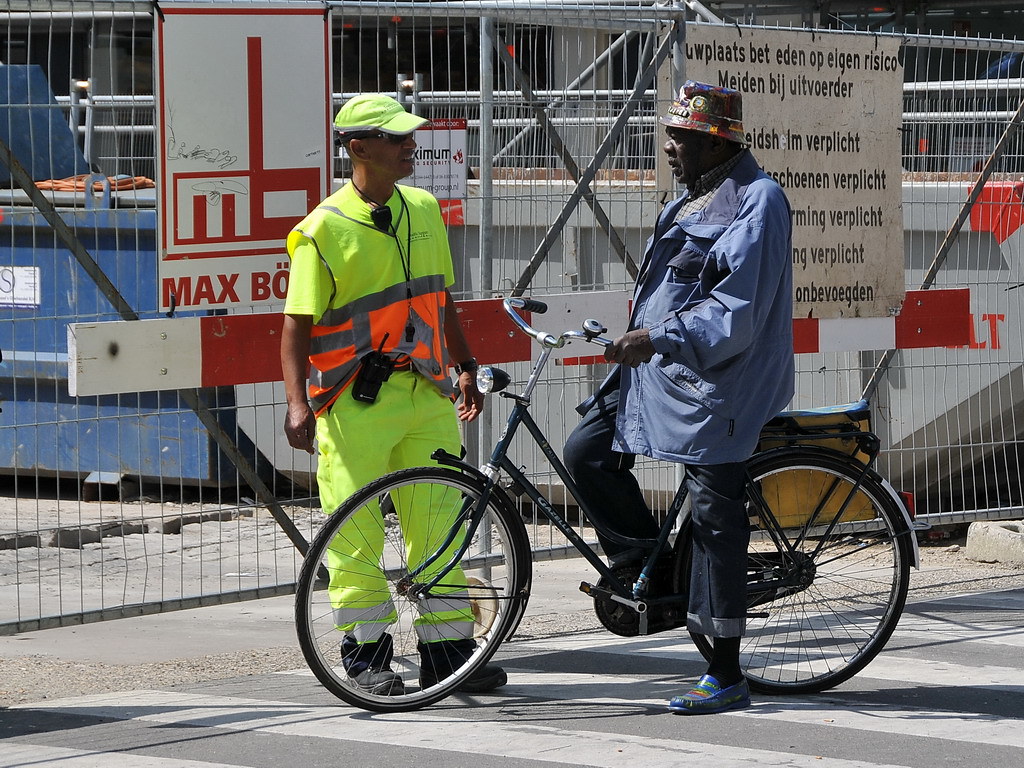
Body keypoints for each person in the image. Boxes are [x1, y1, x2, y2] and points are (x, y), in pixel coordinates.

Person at [563, 81, 794, 714]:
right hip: (659, 370)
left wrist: (658, 335)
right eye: (671, 134)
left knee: (716, 516)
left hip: (719, 383)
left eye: (683, 137)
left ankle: (725, 667)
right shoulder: (688, 199)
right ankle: (658, 573)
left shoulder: (758, 202)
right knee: (585, 450)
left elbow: (733, 312)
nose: (670, 146)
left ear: (717, 142)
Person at [281, 93, 505, 696]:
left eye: (410, 135)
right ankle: (367, 660)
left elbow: (441, 299)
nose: (411, 145)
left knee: (438, 521)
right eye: (396, 138)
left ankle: (449, 654)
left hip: (428, 391)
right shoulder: (321, 230)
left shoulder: (424, 209)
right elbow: (296, 325)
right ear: (358, 149)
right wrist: (298, 402)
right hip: (354, 401)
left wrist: (464, 365)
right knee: (355, 534)